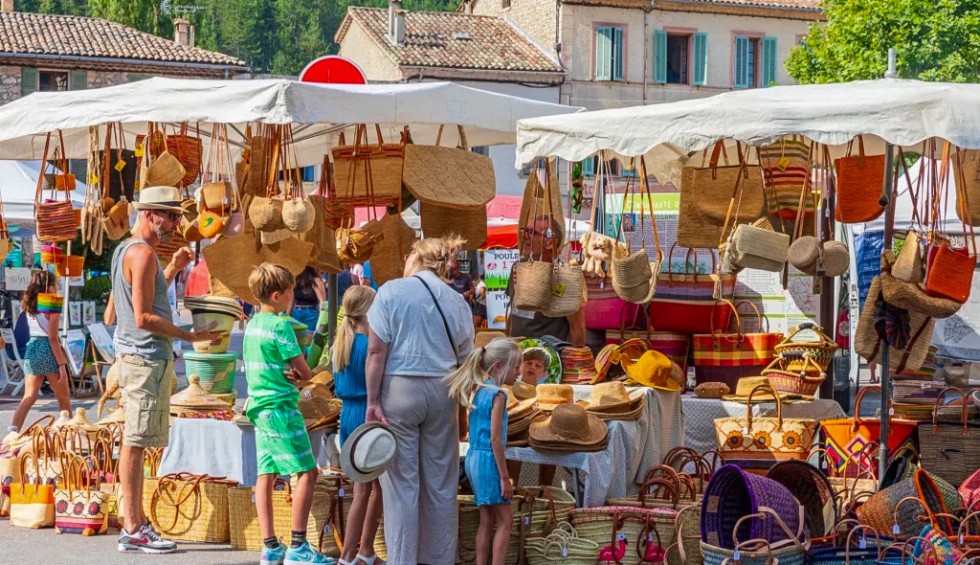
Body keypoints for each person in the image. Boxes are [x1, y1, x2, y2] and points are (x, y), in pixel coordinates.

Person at [111, 185, 224, 554]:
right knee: (136, 442)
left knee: (137, 441)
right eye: (171, 215)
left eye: (178, 216)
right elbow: (144, 317)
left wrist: (173, 267)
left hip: (136, 358)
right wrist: (188, 335)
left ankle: (135, 524)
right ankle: (134, 526)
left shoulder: (126, 251)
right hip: (145, 359)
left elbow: (115, 313)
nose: (176, 223)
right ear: (149, 214)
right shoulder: (142, 255)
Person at [365, 236, 475, 565]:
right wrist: (463, 407)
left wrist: (373, 400)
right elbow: (466, 360)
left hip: (399, 389)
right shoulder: (457, 301)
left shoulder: (391, 292)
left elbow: (375, 351)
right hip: (444, 390)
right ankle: (439, 559)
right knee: (441, 483)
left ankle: (402, 559)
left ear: (415, 257)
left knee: (401, 484)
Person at [244, 263, 330, 565]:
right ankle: (298, 545)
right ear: (278, 295)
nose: (294, 296)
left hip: (259, 408)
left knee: (266, 474)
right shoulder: (281, 326)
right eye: (291, 291)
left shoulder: (252, 324)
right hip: (281, 408)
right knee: (307, 471)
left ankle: (270, 546)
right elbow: (304, 370)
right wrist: (307, 375)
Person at [446, 339, 521, 565]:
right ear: (498, 366)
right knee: (506, 521)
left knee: (486, 519)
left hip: (474, 458)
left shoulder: (478, 391)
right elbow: (496, 438)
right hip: (489, 459)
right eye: (516, 367)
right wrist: (504, 477)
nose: (518, 373)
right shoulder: (498, 395)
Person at [332, 285, 384, 565]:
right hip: (367, 415)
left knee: (363, 488)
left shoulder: (340, 344)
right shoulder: (367, 346)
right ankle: (351, 553)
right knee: (371, 490)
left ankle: (364, 551)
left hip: (348, 417)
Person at [506, 216, 586, 346]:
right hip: (518, 354)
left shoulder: (564, 275)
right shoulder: (517, 268)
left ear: (550, 243)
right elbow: (512, 314)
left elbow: (577, 328)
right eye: (525, 231)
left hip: (548, 358)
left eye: (532, 233)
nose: (525, 236)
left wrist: (572, 361)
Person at [7, 270, 70, 434]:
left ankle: (12, 434)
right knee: (63, 399)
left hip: (32, 348)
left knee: (28, 397)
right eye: (56, 284)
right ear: (49, 286)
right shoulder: (53, 304)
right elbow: (53, 338)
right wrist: (62, 365)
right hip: (48, 350)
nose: (58, 287)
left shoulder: (28, 302)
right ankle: (69, 436)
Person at [292, 266, 326, 332]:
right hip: (297, 311)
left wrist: (321, 317)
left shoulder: (315, 281)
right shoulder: (297, 281)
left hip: (310, 312)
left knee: (309, 336)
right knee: (297, 337)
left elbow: (322, 300)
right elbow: (293, 299)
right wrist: (287, 314)